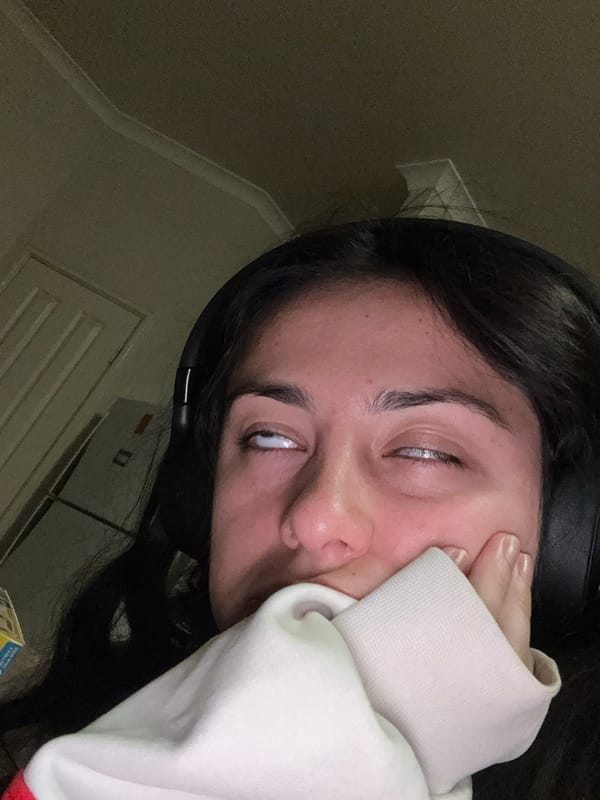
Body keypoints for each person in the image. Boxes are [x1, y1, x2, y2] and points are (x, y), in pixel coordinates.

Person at [1, 217, 600, 799]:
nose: (316, 518)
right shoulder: (39, 738)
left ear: (568, 537)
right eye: (269, 438)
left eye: (425, 452)